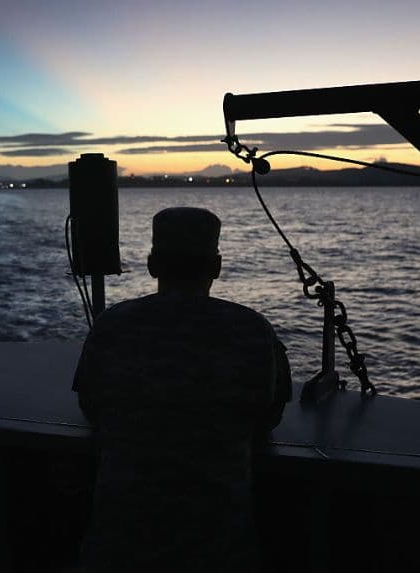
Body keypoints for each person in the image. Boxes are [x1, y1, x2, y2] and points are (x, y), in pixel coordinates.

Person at [72, 207, 292, 572]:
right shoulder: (252, 331)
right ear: (216, 267)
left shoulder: (112, 326)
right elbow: (268, 416)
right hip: (219, 546)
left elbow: (91, 405)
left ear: (152, 264)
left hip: (118, 544)